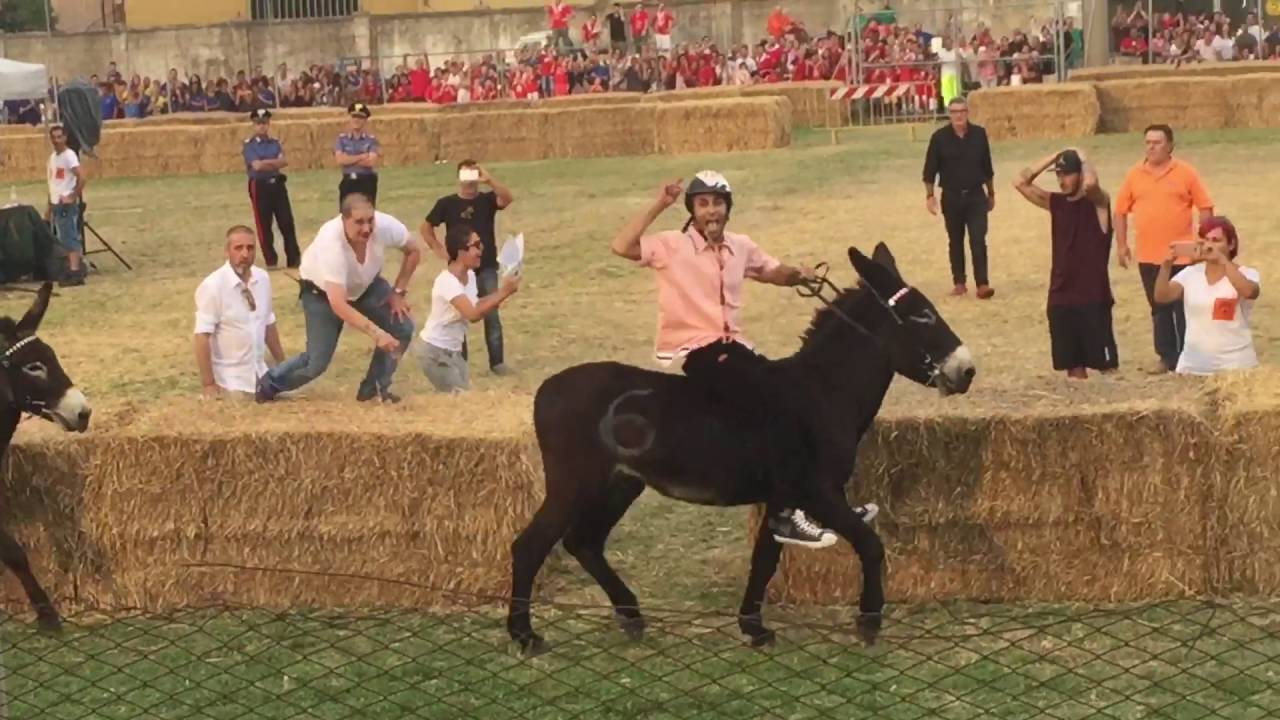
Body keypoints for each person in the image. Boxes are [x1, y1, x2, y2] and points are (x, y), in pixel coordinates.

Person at [609, 170, 878, 549]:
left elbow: (771, 271)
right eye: (703, 204)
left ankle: (828, 503)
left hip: (736, 348)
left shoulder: (740, 246)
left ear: (728, 208)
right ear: (693, 210)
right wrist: (660, 204)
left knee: (798, 396)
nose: (711, 211)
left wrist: (798, 276)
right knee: (777, 403)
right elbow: (621, 245)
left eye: (718, 203)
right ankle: (785, 515)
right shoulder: (671, 246)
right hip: (700, 351)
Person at [256, 194, 422, 404]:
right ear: (343, 220)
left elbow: (414, 251)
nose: (367, 228)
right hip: (322, 294)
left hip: (366, 285)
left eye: (370, 220)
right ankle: (268, 385)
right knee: (315, 363)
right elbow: (338, 303)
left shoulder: (387, 226)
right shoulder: (331, 242)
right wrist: (377, 333)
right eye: (359, 222)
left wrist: (398, 292)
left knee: (402, 327)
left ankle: (374, 391)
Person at [1114, 124, 1214, 374]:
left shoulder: (1186, 173)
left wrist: (1203, 242)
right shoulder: (1134, 175)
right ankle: (1166, 357)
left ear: (1170, 145)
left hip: (1181, 255)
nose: (1151, 147)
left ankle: (1187, 356)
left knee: (1182, 308)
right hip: (1149, 256)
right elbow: (1120, 211)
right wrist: (1122, 244)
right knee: (1158, 307)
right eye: (1148, 142)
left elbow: (1205, 207)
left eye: (1157, 142)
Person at [1013, 149, 1118, 379]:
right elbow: (1020, 182)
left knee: (1106, 367)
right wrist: (1054, 156)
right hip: (1061, 295)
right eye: (1059, 175)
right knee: (1073, 367)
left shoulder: (1099, 203)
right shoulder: (1056, 203)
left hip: (1093, 296)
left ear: (1080, 173)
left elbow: (1090, 186)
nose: (1062, 181)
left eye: (1068, 174)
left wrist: (1083, 158)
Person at [421, 160, 517, 376]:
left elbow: (508, 198)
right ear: (459, 178)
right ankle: (459, 362)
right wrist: (437, 249)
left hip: (487, 265)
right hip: (460, 270)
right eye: (466, 175)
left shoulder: (487, 200)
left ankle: (497, 362)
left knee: (491, 312)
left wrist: (489, 179)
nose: (470, 181)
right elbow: (426, 227)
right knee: (459, 316)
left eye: (474, 175)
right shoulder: (447, 203)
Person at [417, 225, 522, 393]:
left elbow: (475, 305)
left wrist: (503, 292)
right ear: (460, 252)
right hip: (435, 353)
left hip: (454, 353)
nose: (481, 249)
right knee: (459, 400)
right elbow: (472, 314)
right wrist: (503, 292)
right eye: (476, 245)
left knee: (458, 399)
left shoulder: (470, 275)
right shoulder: (447, 282)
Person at [1153, 217, 1260, 375]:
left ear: (1231, 244)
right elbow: (1162, 297)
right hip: (1193, 366)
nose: (1209, 245)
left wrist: (1223, 261)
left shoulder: (1246, 273)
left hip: (1236, 367)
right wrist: (1166, 266)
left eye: (1216, 240)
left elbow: (1249, 292)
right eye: (1205, 240)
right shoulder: (1191, 274)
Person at [194, 226, 286, 399]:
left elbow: (268, 324)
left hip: (262, 375)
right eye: (238, 248)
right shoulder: (213, 286)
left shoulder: (262, 279)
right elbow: (201, 337)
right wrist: (208, 384)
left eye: (250, 248)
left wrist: (282, 365)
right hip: (231, 380)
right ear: (227, 251)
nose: (245, 254)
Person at [923, 97, 996, 299]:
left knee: (978, 239)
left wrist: (991, 193)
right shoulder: (939, 138)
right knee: (955, 241)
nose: (959, 115)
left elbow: (987, 167)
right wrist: (930, 196)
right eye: (954, 112)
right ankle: (959, 282)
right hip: (952, 197)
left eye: (962, 111)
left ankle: (982, 284)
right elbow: (929, 171)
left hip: (976, 196)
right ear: (949, 114)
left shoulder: (979, 135)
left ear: (967, 112)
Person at [242, 108, 300, 269]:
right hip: (259, 186)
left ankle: (294, 259)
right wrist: (274, 162)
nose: (262, 126)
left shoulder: (275, 143)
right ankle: (271, 260)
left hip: (277, 184)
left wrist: (266, 163)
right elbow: (256, 166)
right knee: (264, 225)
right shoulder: (249, 145)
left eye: (265, 123)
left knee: (287, 222)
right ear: (254, 125)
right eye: (259, 123)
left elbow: (283, 162)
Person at [46, 125, 86, 288]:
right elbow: (52, 184)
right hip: (56, 203)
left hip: (65, 204)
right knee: (64, 237)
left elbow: (82, 177)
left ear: (65, 137)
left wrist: (73, 196)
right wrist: (48, 208)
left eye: (59, 137)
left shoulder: (69, 156)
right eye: (54, 137)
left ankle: (75, 270)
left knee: (70, 236)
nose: (56, 141)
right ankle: (71, 267)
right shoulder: (52, 158)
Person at [334, 102, 381, 207]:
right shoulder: (341, 139)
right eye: (354, 116)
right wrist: (361, 156)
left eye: (360, 117)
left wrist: (349, 159)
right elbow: (340, 160)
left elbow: (371, 162)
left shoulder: (371, 140)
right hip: (348, 181)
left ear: (365, 121)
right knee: (346, 213)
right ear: (349, 118)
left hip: (366, 180)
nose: (356, 120)